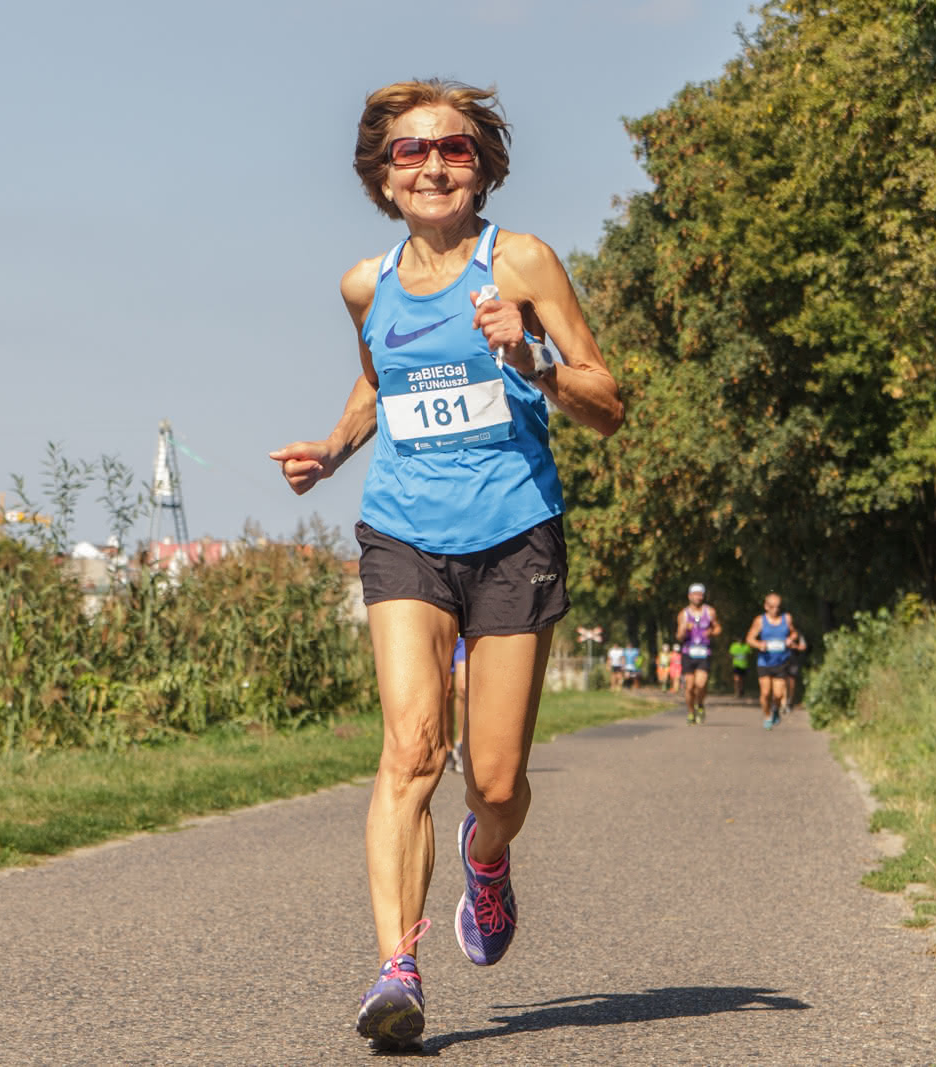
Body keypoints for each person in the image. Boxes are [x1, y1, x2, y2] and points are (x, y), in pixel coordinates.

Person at [268, 78, 623, 1052]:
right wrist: (334, 448)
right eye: (409, 152)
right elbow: (380, 377)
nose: (432, 165)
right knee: (412, 747)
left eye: (452, 149)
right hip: (403, 533)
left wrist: (533, 355)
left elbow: (606, 400)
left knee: (495, 778)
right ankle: (396, 968)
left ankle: (487, 853)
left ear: (481, 163)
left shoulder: (522, 261)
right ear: (382, 177)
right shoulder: (363, 283)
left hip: (514, 533)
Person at [747, 592, 799, 729]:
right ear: (766, 606)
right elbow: (749, 638)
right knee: (765, 693)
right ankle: (767, 716)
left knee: (778, 694)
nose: (775, 609)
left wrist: (790, 639)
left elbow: (794, 632)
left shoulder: (786, 619)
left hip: (781, 661)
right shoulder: (760, 620)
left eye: (777, 607)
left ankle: (775, 709)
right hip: (764, 662)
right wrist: (759, 645)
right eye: (772, 606)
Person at [675, 582, 719, 724]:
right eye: (695, 594)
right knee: (689, 687)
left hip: (704, 653)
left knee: (701, 684)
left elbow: (718, 629)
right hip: (688, 653)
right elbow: (678, 637)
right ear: (689, 596)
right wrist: (683, 630)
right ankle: (690, 711)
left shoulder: (710, 612)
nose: (698, 597)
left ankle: (700, 704)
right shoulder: (683, 614)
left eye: (700, 594)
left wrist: (711, 632)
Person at [445, 636, 467, 774]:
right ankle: (447, 748)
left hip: (462, 634)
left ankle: (461, 744)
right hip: (442, 628)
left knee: (463, 687)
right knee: (445, 692)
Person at [783, 627, 808, 711]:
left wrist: (795, 646)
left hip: (794, 661)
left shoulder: (799, 634)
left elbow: (803, 647)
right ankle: (783, 702)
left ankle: (790, 701)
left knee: (791, 682)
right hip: (781, 661)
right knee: (782, 681)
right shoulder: (782, 633)